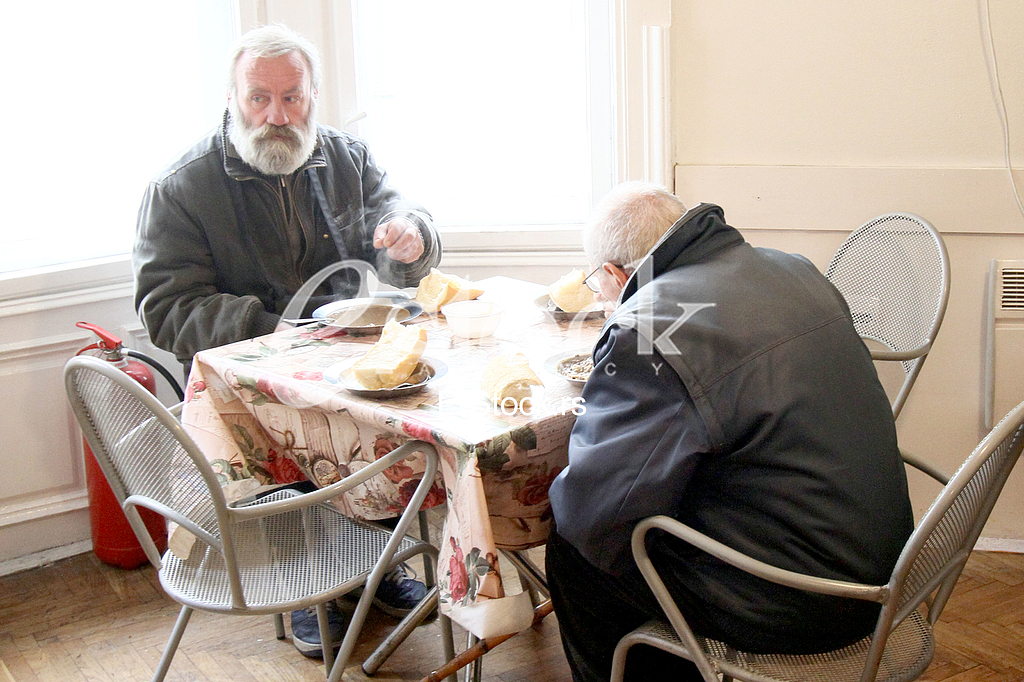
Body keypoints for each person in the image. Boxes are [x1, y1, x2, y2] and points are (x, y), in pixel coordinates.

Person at [132, 24, 440, 658]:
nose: (277, 116)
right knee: (294, 447)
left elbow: (406, 221)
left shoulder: (346, 159)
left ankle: (375, 570)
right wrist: (279, 328)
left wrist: (412, 236)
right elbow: (167, 310)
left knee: (389, 423)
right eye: (259, 99)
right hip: (254, 386)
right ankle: (312, 590)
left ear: (314, 97)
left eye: (293, 98)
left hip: (347, 369)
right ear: (232, 98)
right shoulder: (181, 188)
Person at [546, 181, 915, 681]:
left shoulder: (650, 328)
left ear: (614, 273)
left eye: (597, 283)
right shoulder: (795, 268)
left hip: (800, 602)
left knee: (574, 550)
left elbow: (594, 516)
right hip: (884, 564)